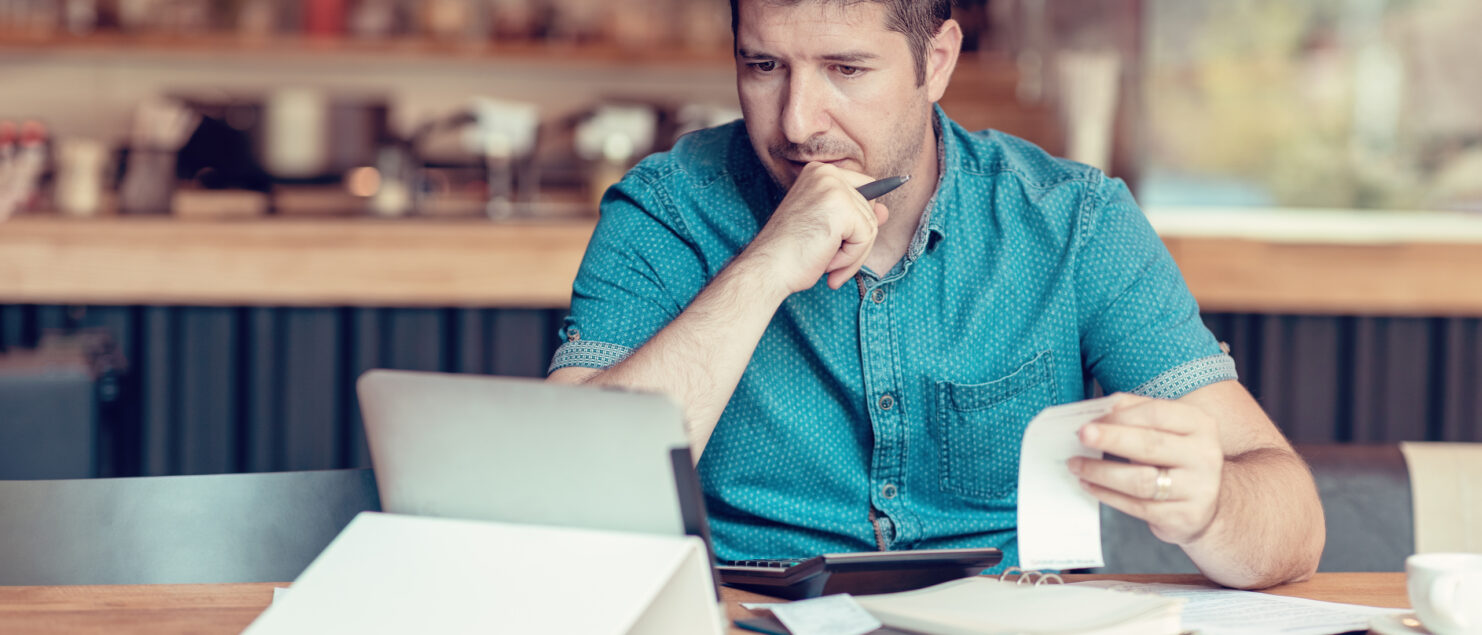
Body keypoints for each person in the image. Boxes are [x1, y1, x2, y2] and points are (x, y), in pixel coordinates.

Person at [548, 0, 1324, 590]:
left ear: (939, 60)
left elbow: (1294, 521)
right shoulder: (665, 210)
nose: (796, 123)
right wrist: (765, 266)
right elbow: (567, 495)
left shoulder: (1073, 222)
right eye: (764, 67)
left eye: (846, 71)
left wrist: (1214, 506)